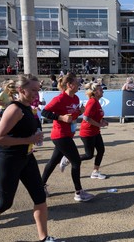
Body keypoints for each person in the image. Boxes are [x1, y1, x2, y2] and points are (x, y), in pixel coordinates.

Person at [0, 74, 59, 242]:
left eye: (38, 90)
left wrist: (34, 136)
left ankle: (44, 238)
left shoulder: (28, 108)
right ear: (20, 90)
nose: (36, 94)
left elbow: (21, 132)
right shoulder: (14, 109)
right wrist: (29, 139)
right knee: (5, 203)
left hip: (27, 158)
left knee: (40, 198)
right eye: (33, 90)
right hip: (8, 161)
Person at [41, 73, 93, 202]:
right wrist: (60, 117)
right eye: (77, 83)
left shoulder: (75, 98)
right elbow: (44, 112)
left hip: (68, 134)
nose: (79, 85)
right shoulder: (59, 99)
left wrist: (79, 112)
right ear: (70, 85)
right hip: (60, 135)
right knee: (76, 161)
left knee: (53, 161)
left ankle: (40, 186)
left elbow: (72, 117)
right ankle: (78, 192)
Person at [60, 83, 109, 179]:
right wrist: (99, 124)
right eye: (100, 89)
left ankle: (95, 172)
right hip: (87, 133)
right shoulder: (92, 102)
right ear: (94, 92)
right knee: (89, 155)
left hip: (95, 131)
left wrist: (102, 121)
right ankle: (68, 159)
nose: (102, 91)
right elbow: (86, 117)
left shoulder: (97, 101)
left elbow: (95, 116)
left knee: (101, 150)